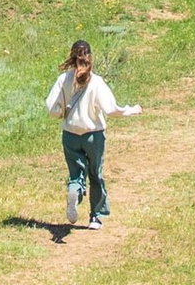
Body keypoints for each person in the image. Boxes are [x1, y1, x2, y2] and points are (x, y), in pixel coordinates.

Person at [44, 38, 137, 228]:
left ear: (71, 56)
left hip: (70, 135)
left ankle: (75, 192)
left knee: (75, 173)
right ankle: (95, 216)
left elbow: (51, 107)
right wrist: (131, 110)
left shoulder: (63, 80)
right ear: (90, 56)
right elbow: (111, 109)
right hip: (94, 135)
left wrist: (63, 113)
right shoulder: (97, 82)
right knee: (96, 174)